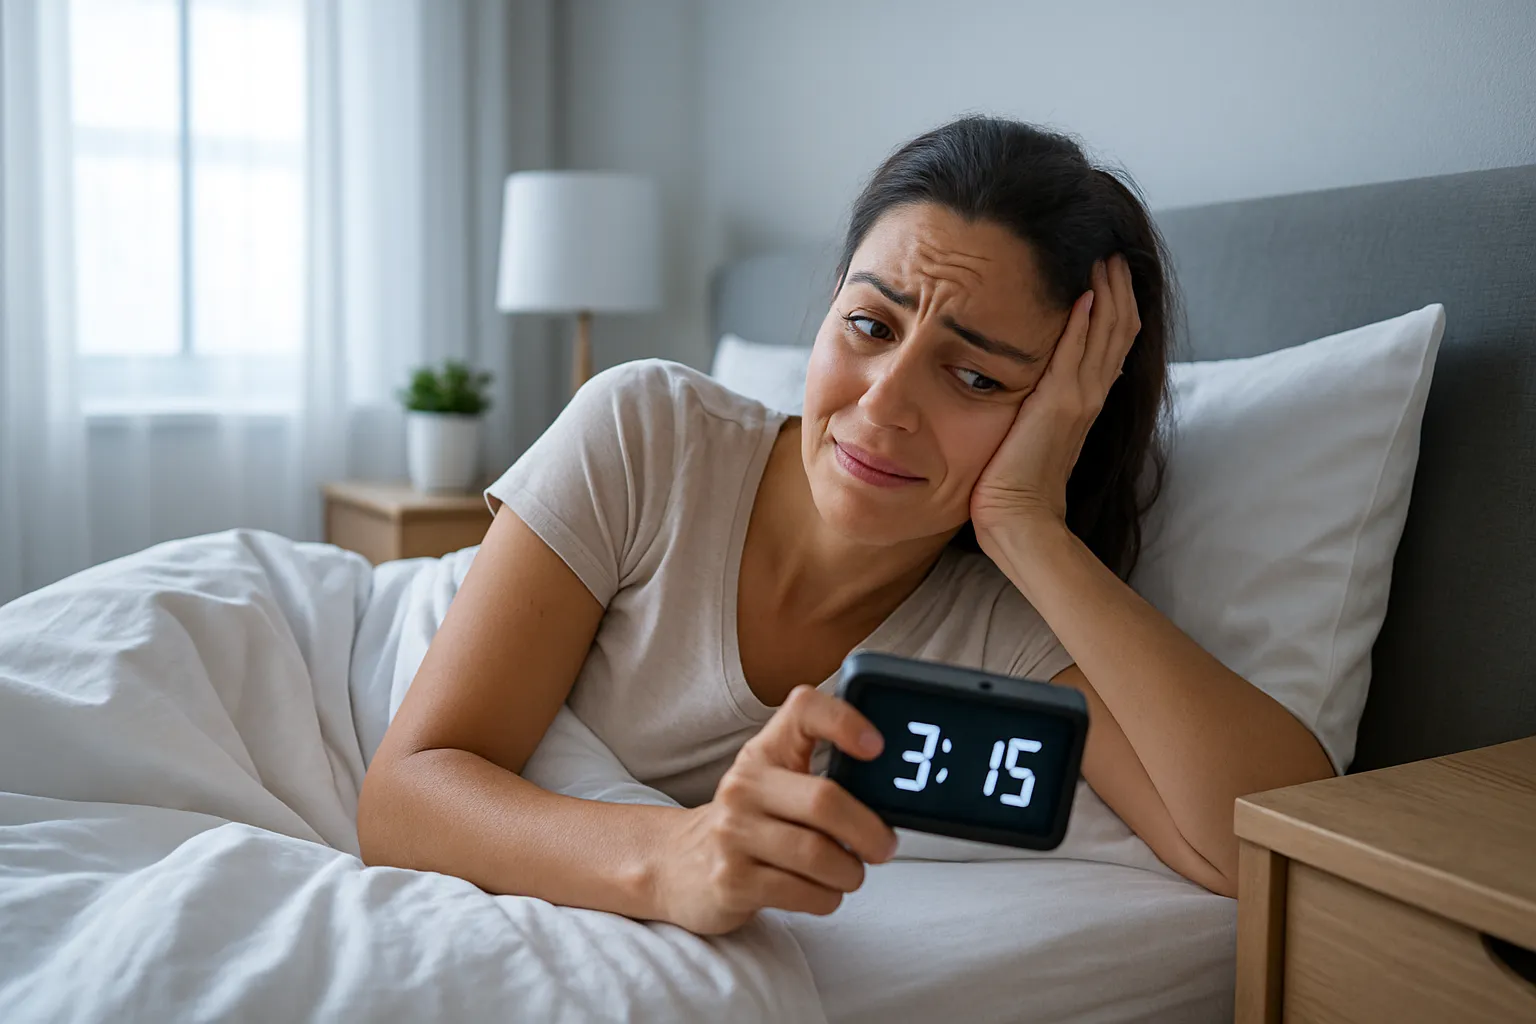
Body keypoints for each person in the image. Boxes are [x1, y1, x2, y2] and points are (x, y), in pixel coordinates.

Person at [356, 115, 1334, 934]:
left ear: (1060, 414)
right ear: (828, 310)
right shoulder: (648, 431)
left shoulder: (1003, 629)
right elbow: (404, 793)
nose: (882, 406)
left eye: (975, 374)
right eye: (871, 326)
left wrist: (1031, 526)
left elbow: (1269, 846)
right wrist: (673, 859)